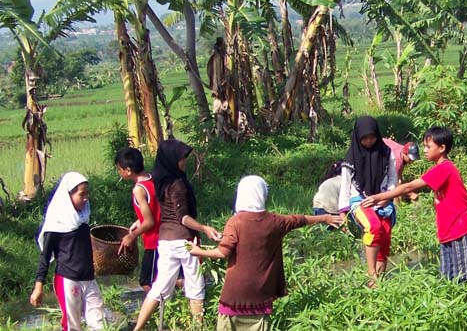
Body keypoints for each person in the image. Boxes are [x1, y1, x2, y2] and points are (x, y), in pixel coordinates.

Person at [188, 175, 343, 331]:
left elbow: (223, 252)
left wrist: (199, 251)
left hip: (235, 297)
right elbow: (300, 219)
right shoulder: (276, 221)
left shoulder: (236, 221)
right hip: (261, 296)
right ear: (262, 194)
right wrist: (325, 217)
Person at [361, 126, 467, 287]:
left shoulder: (445, 168)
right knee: (451, 282)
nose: (425, 150)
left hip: (462, 231)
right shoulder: (440, 168)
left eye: (428, 147)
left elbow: (409, 187)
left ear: (442, 148)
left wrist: (378, 197)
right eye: (424, 146)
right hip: (449, 233)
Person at [133, 139, 221, 331]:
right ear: (172, 159)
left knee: (159, 287)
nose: (184, 161)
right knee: (195, 286)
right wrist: (204, 228)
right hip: (183, 241)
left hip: (164, 241)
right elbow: (182, 217)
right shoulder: (177, 184)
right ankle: (198, 327)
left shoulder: (160, 180)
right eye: (182, 158)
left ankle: (138, 328)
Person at [30, 172, 106, 331]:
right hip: (68, 279)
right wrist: (39, 287)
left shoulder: (83, 218)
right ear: (68, 196)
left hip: (88, 278)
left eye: (87, 194)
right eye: (81, 194)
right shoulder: (56, 224)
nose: (86, 198)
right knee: (73, 326)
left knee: (99, 323)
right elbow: (45, 257)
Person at [338, 116, 398, 287]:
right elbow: (345, 186)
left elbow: (393, 178)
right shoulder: (350, 159)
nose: (369, 141)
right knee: (373, 227)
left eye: (372, 137)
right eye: (364, 138)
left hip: (382, 198)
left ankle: (380, 280)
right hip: (360, 199)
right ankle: (371, 274)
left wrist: (387, 197)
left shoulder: (386, 153)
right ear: (358, 137)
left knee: (385, 236)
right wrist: (343, 212)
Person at [115, 147, 160, 292]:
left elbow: (150, 222)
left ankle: (164, 310)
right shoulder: (153, 179)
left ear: (128, 170)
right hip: (165, 235)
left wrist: (132, 236)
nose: (119, 172)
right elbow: (155, 210)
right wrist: (139, 221)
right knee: (162, 277)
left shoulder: (138, 189)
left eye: (119, 169)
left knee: (147, 282)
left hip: (154, 241)